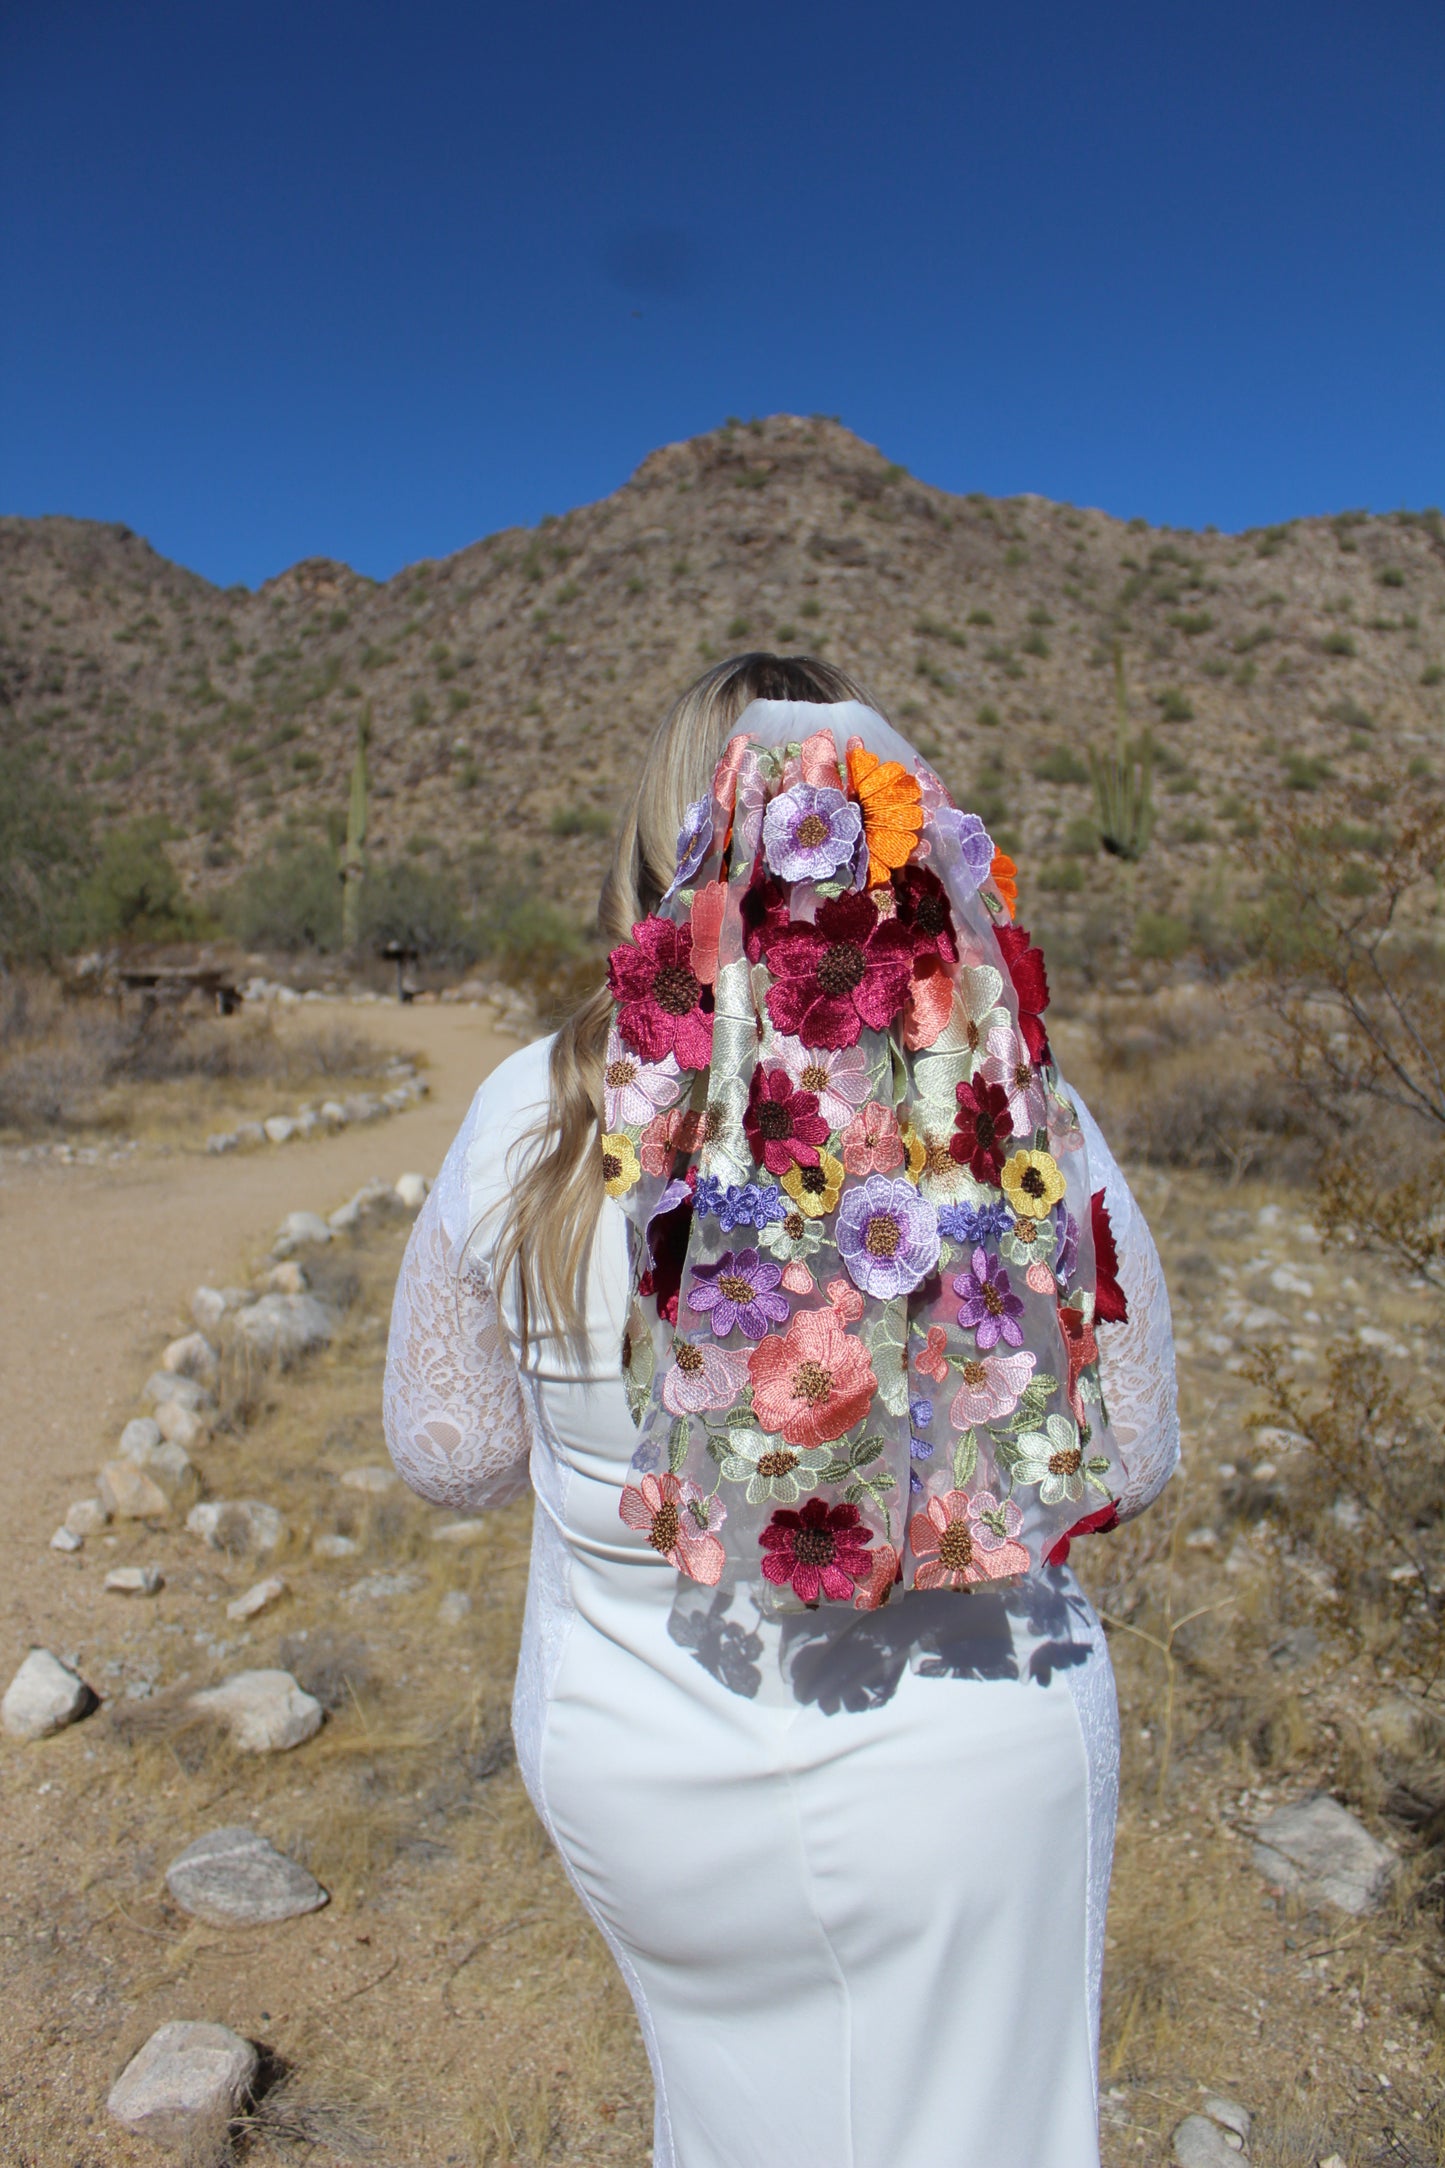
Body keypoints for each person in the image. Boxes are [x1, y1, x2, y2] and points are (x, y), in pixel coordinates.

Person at [383, 652, 1178, 2168]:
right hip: (968, 1776)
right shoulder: (1008, 1112)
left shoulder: (526, 1118)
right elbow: (1129, 1460)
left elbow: (450, 1457)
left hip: (650, 1773)